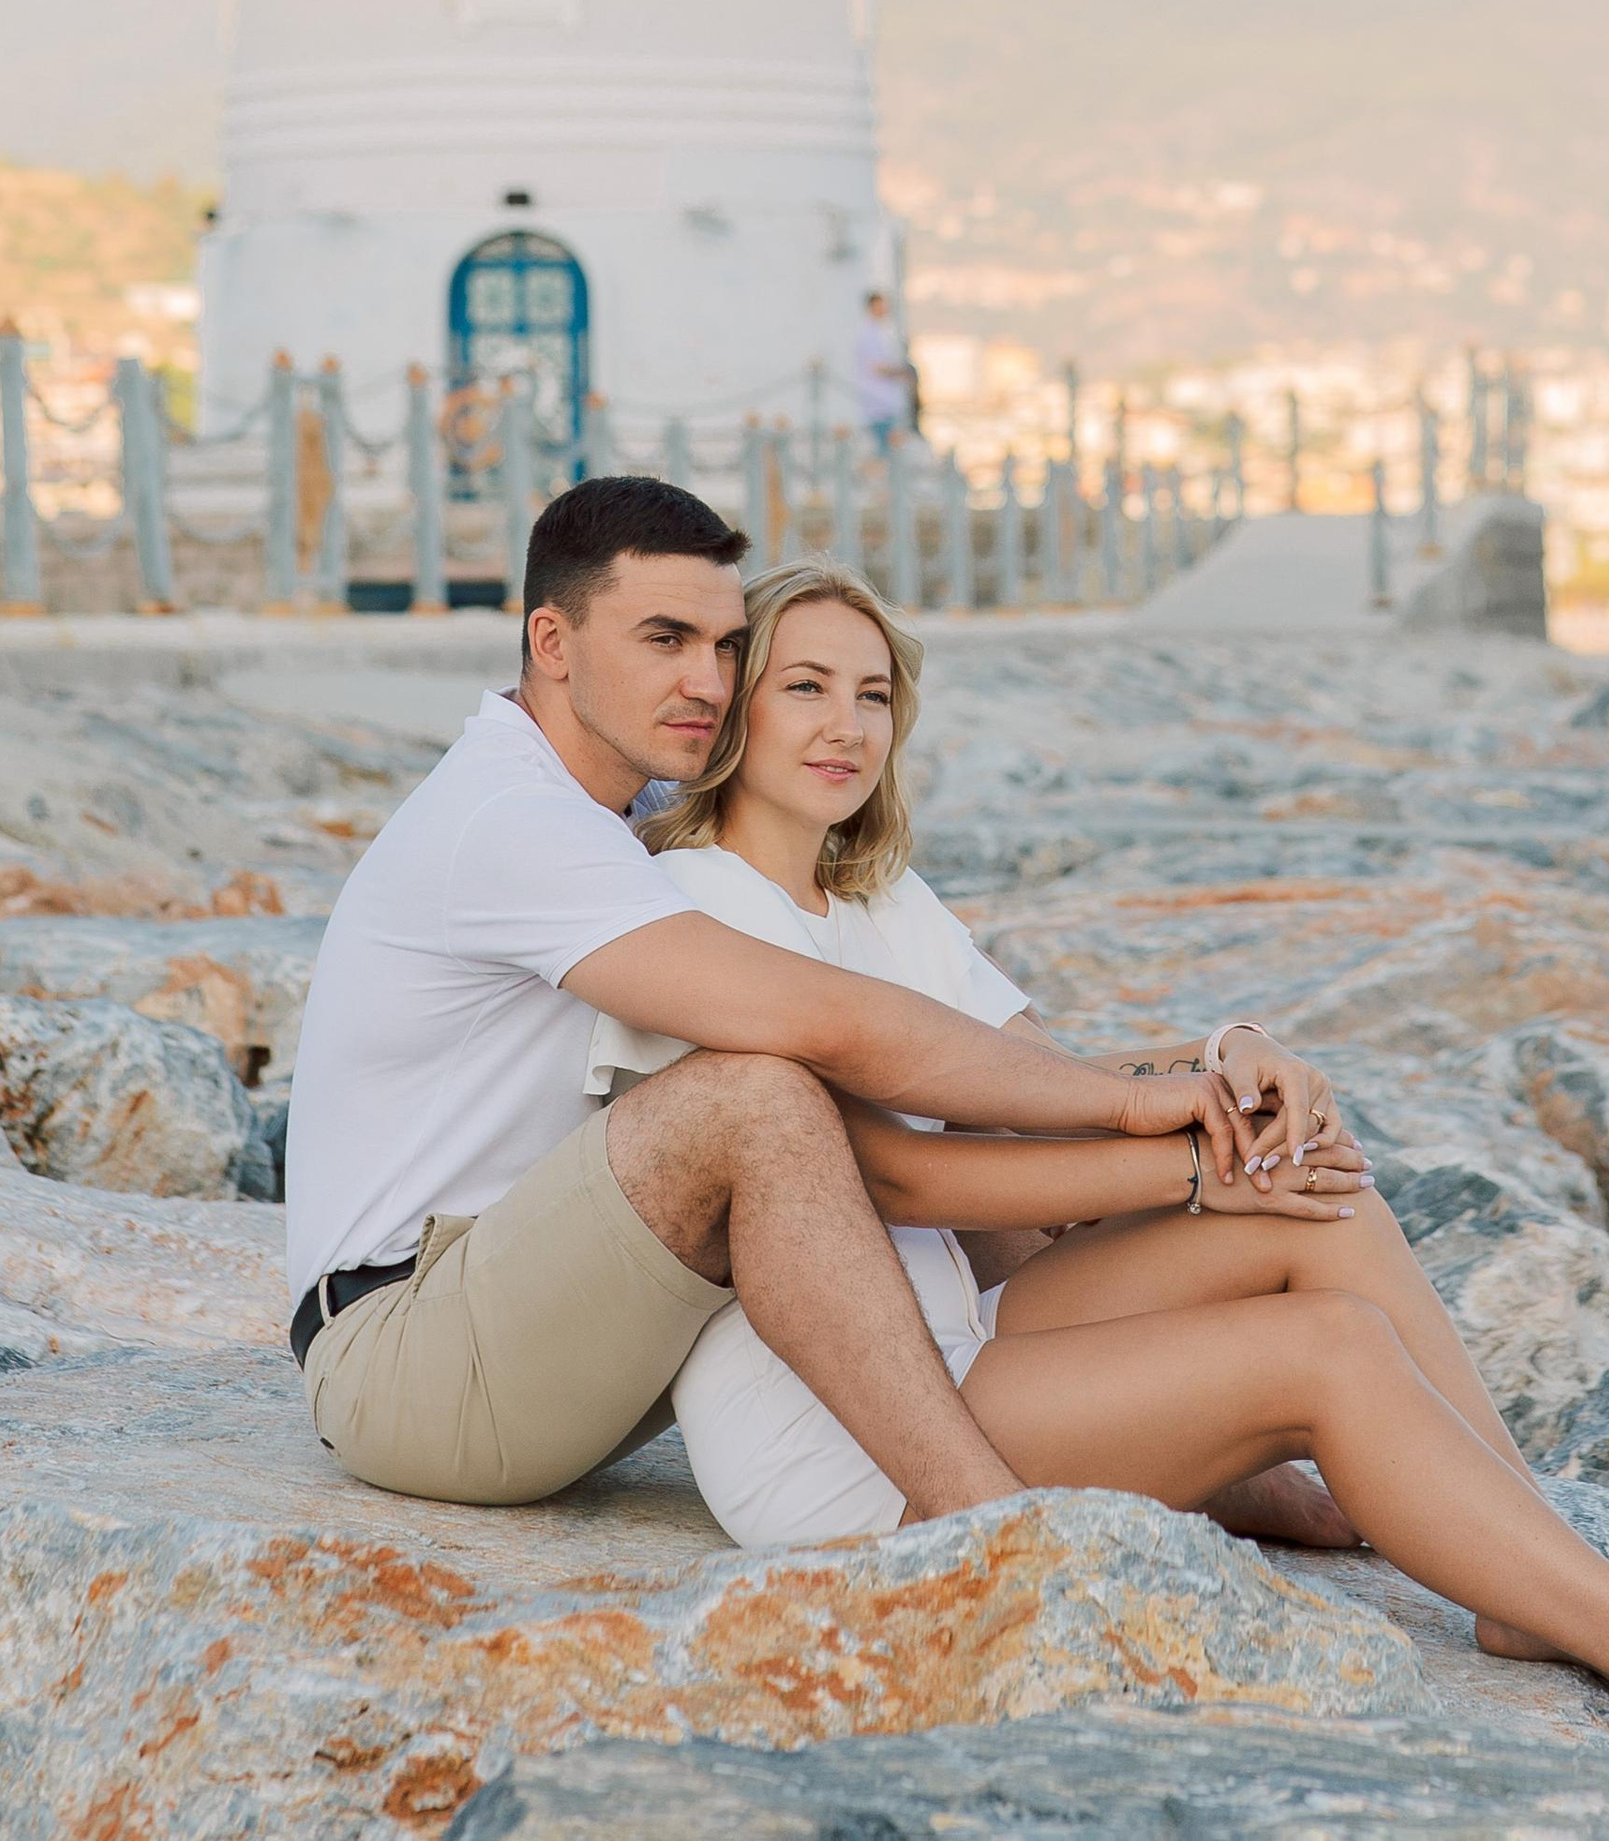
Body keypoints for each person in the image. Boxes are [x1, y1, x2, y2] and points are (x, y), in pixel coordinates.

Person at [585, 564, 1609, 1792]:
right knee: (1328, 1355)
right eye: (804, 687)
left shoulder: (876, 899)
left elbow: (1044, 1076)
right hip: (845, 1428)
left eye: (874, 694)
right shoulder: (696, 905)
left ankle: (1524, 1572)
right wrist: (1186, 1173)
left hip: (966, 1331)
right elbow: (898, 1178)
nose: (846, 724)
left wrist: (1231, 1057)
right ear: (733, 713)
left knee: (1324, 1204)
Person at [280, 477, 1329, 1529]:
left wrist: (1206, 1062)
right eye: (663, 639)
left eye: (727, 646)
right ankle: (989, 1526)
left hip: (555, 1300)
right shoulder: (515, 819)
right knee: (756, 1099)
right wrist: (1134, 1112)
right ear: (552, 643)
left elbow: (954, 1048)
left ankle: (1238, 1462)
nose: (706, 680)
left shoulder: (633, 797)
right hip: (410, 1354)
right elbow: (826, 1024)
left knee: (955, 1115)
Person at [853, 289, 911, 450]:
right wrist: (901, 372)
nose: (885, 310)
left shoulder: (882, 332)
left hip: (886, 402)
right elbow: (875, 366)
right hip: (878, 402)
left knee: (890, 449)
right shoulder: (867, 334)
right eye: (881, 306)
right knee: (884, 450)